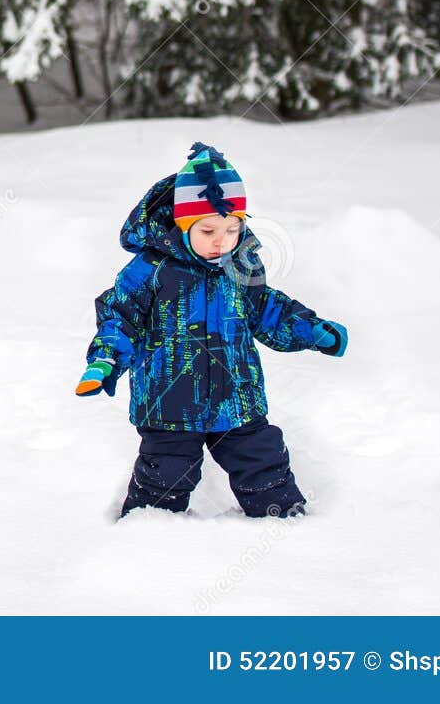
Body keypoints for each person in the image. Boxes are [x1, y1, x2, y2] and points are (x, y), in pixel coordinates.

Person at [76, 142, 348, 518]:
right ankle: (145, 539)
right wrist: (105, 360)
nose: (222, 240)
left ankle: (287, 530)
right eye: (208, 230)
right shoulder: (149, 270)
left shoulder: (241, 266)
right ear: (182, 225)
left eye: (232, 228)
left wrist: (310, 330)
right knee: (166, 475)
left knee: (264, 463)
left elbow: (266, 308)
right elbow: (119, 318)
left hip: (237, 399)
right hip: (168, 404)